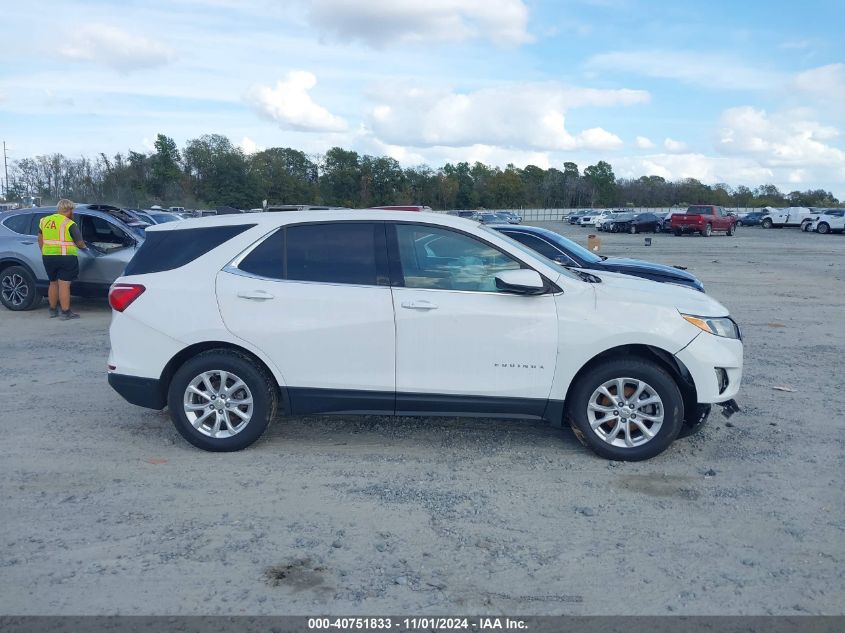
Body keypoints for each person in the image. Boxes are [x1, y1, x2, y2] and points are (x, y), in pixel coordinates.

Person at [37, 199, 87, 320]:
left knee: (53, 283)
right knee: (64, 285)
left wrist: (44, 251)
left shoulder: (44, 221)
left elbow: (40, 239)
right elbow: (80, 243)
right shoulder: (69, 223)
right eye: (72, 210)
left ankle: (52, 310)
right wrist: (85, 247)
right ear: (69, 210)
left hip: (48, 256)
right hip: (66, 258)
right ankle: (65, 312)